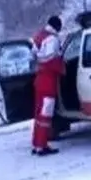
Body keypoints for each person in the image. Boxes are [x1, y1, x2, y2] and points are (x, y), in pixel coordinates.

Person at [31, 15, 65, 156]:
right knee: (46, 115)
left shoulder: (39, 35)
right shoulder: (53, 39)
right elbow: (51, 60)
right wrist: (62, 67)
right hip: (48, 82)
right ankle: (42, 146)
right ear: (57, 26)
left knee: (39, 114)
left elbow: (34, 54)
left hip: (39, 80)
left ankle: (36, 144)